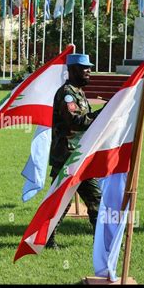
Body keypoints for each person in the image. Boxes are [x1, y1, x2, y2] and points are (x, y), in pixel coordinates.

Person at [47, 54, 103, 249]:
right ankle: (44, 238)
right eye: (84, 68)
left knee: (95, 198)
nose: (89, 71)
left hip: (79, 156)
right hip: (67, 157)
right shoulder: (67, 94)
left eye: (89, 67)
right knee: (60, 201)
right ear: (72, 70)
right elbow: (76, 122)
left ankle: (103, 242)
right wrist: (100, 114)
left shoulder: (78, 92)